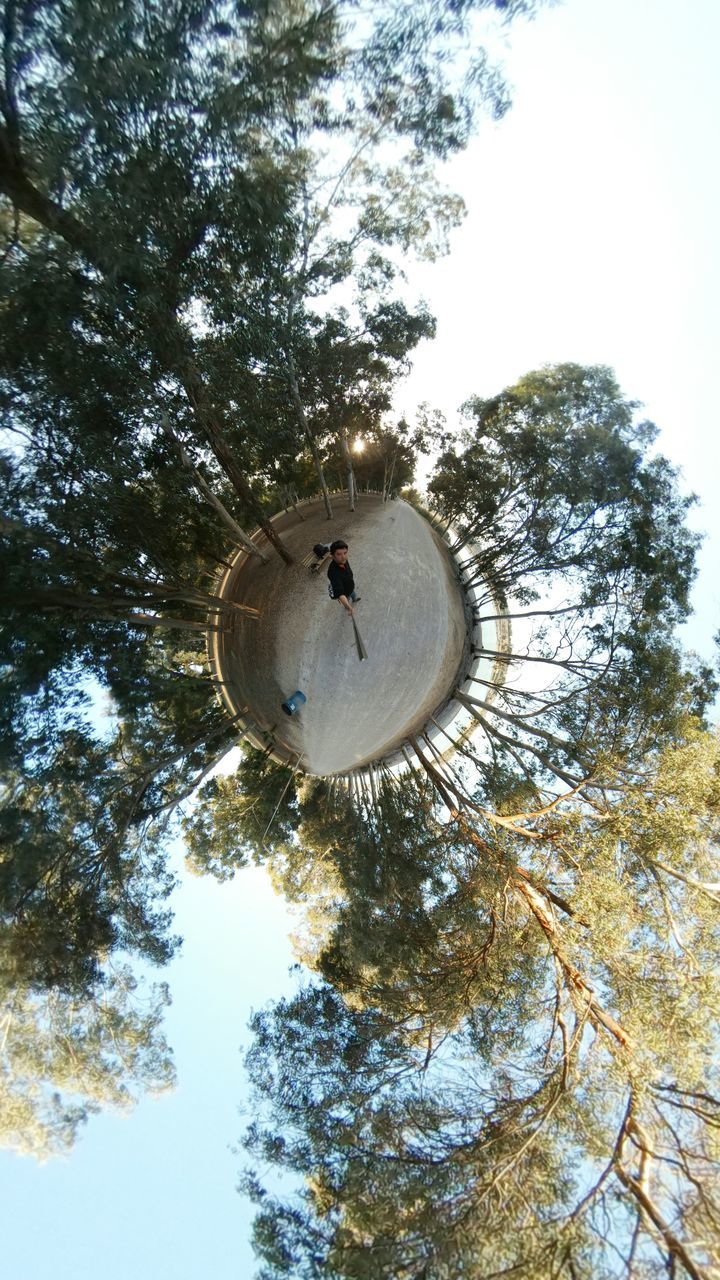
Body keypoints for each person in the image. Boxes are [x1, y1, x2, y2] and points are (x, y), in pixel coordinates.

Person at [327, 539, 360, 616]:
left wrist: (333, 556)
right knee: (346, 600)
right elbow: (340, 593)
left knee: (353, 594)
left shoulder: (342, 560)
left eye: (345, 553)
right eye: (339, 554)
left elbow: (338, 557)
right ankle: (347, 606)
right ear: (333, 556)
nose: (343, 557)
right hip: (345, 593)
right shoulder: (333, 572)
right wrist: (350, 608)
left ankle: (354, 599)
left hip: (350, 586)